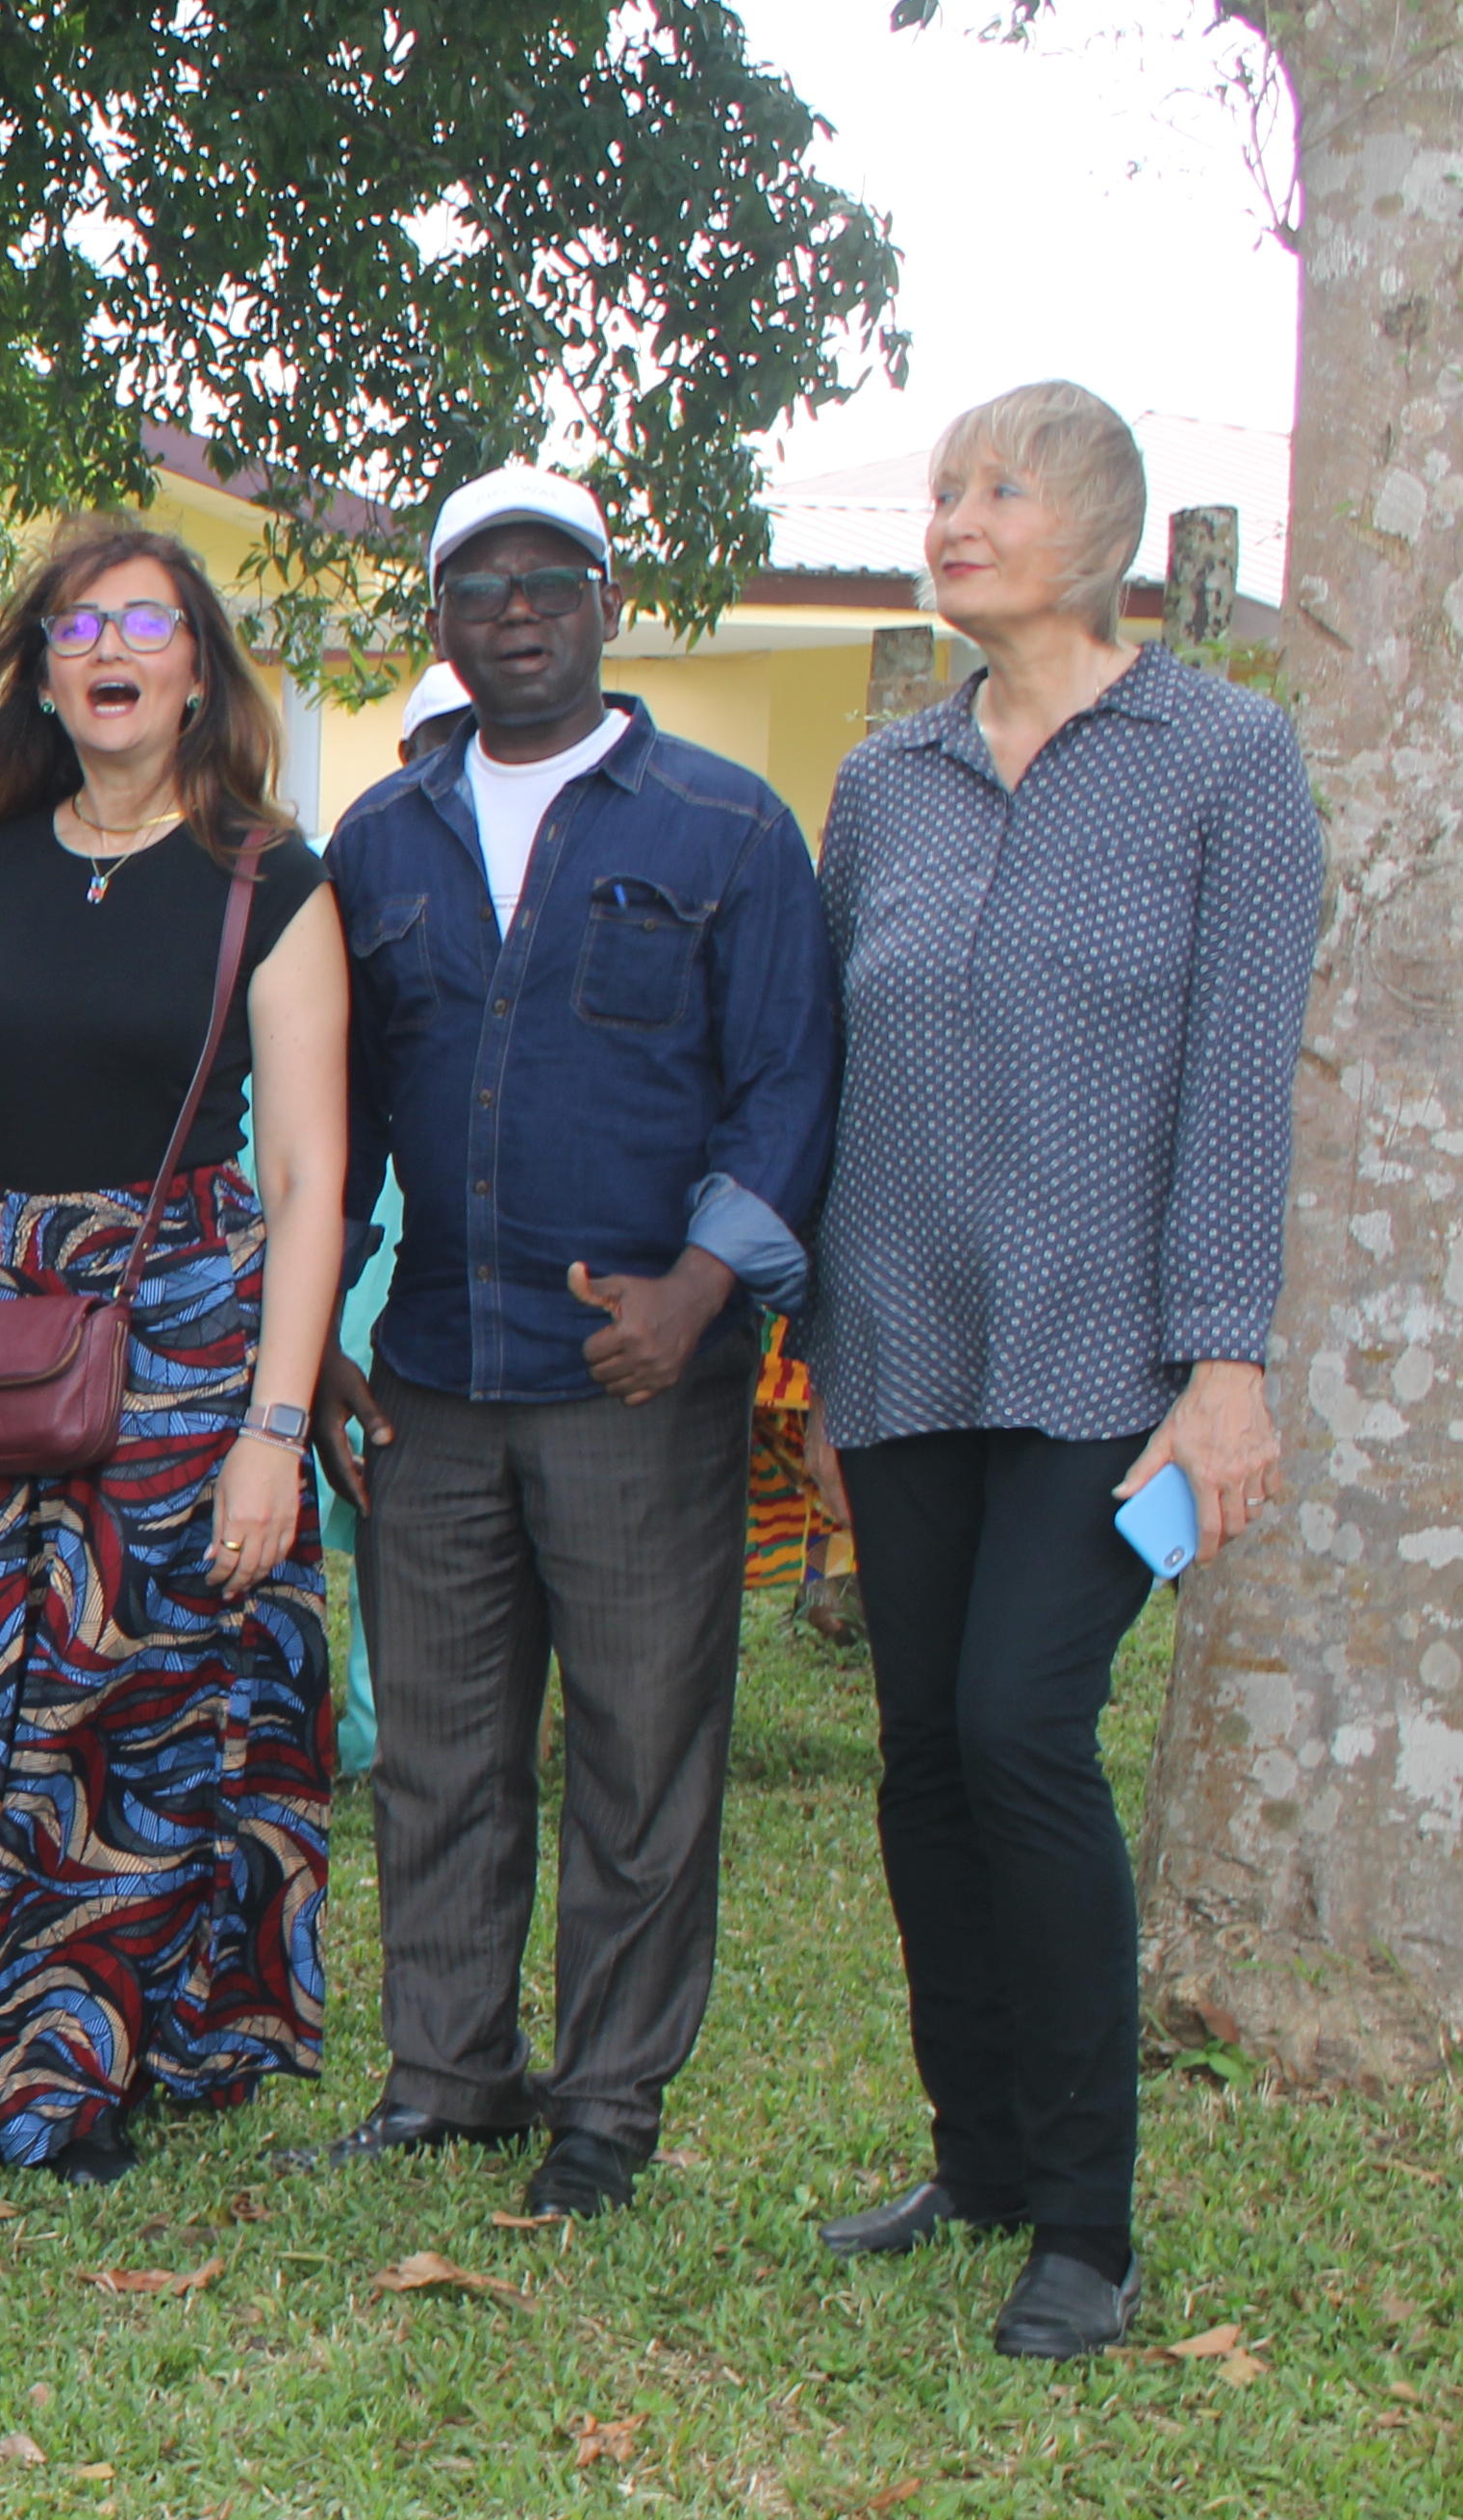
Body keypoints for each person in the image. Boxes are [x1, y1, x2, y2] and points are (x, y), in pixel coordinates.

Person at [798, 381, 1323, 2357]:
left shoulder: (1224, 755)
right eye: (942, 487)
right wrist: (818, 1360)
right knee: (923, 1750)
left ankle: (1086, 2228)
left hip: (1123, 1349)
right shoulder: (890, 778)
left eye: (999, 485)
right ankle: (982, 2155)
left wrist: (1228, 1360)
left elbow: (1240, 1074)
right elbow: (842, 1077)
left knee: (1023, 1729)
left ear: (1097, 524)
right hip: (908, 1335)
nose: (955, 516)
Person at [0, 514, 347, 2180]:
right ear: (35, 668)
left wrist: (277, 1427)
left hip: (178, 1325)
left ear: (197, 672)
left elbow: (310, 1178)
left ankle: (76, 2062)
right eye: (79, 627)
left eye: (147, 627)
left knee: (135, 1702)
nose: (110, 653)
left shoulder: (271, 880)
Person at [316, 465, 836, 2223]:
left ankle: (607, 2106)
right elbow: (343, 1118)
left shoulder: (725, 828)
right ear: (442, 623)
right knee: (442, 1751)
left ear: (608, 606)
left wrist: (705, 1291)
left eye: (552, 582)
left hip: (635, 1379)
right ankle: (448, 2076)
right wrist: (312, 1337)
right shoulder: (383, 842)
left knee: (637, 1746)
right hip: (439, 1375)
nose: (517, 612)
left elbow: (786, 1085)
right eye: (481, 586)